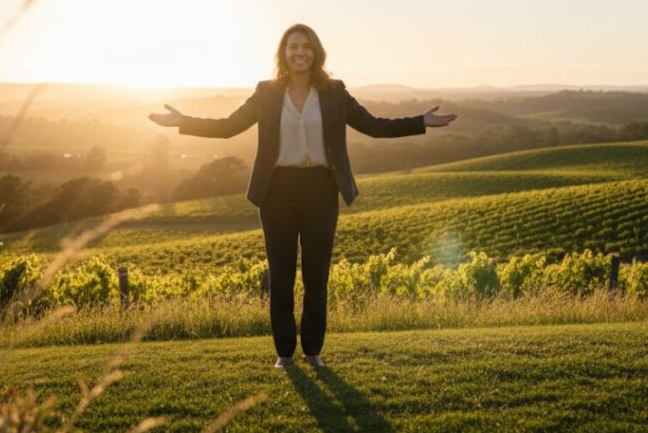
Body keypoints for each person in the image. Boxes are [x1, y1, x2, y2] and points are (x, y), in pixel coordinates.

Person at [148, 24, 457, 368]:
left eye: (306, 47)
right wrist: (182, 121)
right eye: (293, 47)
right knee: (281, 275)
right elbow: (228, 127)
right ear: (284, 53)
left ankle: (313, 350)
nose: (300, 53)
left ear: (316, 53)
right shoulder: (266, 93)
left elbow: (374, 126)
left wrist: (421, 122)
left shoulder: (334, 92)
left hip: (321, 190)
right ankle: (284, 353)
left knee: (316, 274)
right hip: (276, 190)